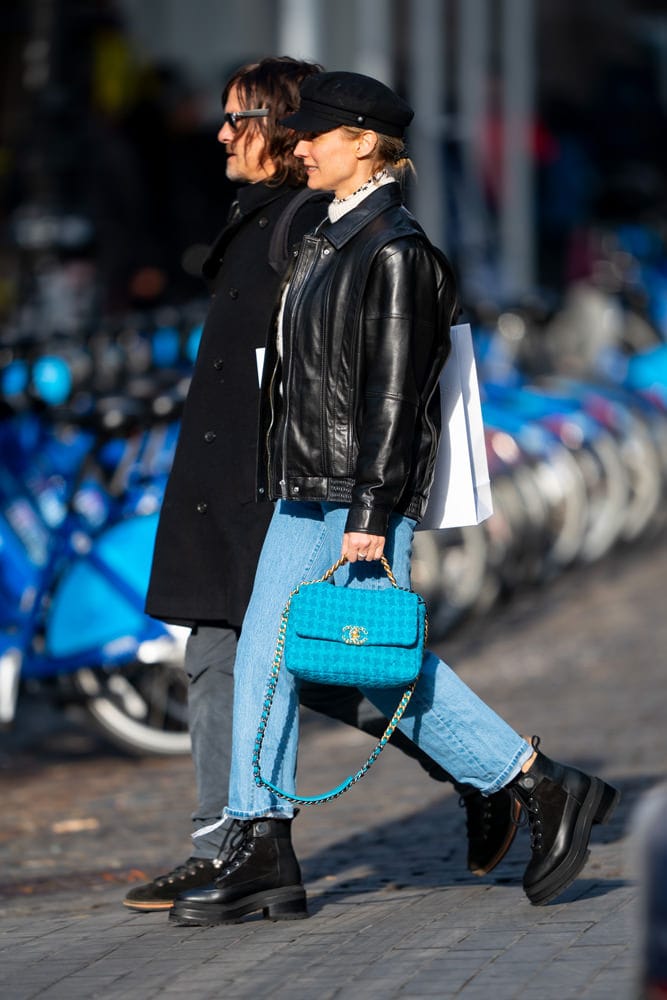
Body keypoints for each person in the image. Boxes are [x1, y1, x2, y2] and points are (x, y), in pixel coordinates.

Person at [168, 71, 620, 927]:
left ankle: (537, 784)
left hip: (354, 498)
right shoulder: (322, 239)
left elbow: (395, 398)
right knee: (270, 658)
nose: (296, 146)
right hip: (303, 487)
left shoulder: (397, 252)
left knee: (376, 663)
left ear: (364, 141)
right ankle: (263, 844)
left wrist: (374, 514)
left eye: (314, 134)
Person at [124, 57, 517, 913]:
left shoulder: (332, 230)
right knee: (237, 659)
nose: (224, 134)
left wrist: (364, 506)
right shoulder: (285, 220)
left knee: (332, 664)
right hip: (254, 479)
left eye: (241, 118)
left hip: (289, 488)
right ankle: (240, 844)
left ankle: (515, 778)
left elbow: (380, 382)